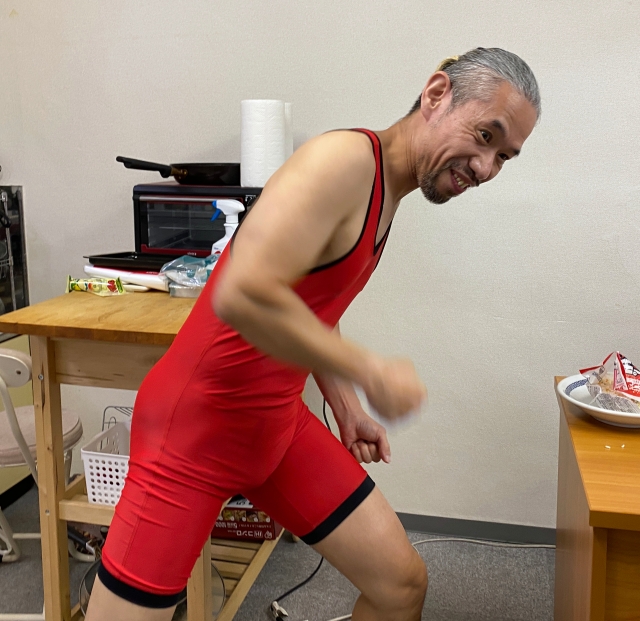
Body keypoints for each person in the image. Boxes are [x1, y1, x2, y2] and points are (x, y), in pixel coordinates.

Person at [86, 47, 540, 621]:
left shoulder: (389, 190)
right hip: (193, 433)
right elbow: (242, 292)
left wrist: (345, 406)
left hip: (274, 427)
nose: (487, 167)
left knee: (401, 586)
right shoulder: (342, 162)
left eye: (504, 157)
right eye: (485, 136)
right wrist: (367, 370)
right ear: (435, 94)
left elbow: (312, 301)